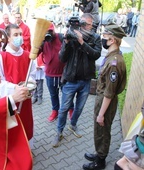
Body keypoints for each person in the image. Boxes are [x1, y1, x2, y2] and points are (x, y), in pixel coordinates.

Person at [53, 13, 102, 147]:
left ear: (92, 25)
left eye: (88, 24)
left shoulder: (96, 38)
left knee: (79, 108)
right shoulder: (71, 36)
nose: (85, 26)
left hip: (85, 81)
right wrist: (67, 42)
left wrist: (82, 42)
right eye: (83, 23)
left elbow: (96, 54)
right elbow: (62, 58)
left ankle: (73, 124)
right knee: (63, 109)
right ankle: (59, 131)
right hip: (70, 80)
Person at [82, 23, 127, 170]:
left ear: (112, 40)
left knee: (102, 130)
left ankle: (100, 161)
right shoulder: (112, 56)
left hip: (105, 101)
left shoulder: (114, 62)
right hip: (103, 99)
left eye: (105, 37)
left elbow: (109, 92)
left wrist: (101, 114)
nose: (103, 39)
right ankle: (99, 153)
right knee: (100, 130)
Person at [0, 24, 36, 147]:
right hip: (10, 99)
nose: (19, 37)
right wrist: (14, 88)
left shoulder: (28, 55)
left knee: (26, 121)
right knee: (12, 125)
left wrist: (29, 84)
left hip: (25, 97)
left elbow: (33, 74)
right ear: (8, 38)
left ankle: (26, 148)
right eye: (15, 34)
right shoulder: (2, 57)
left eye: (20, 34)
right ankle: (13, 149)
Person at [38, 23, 74, 122]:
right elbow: (35, 53)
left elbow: (70, 51)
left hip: (63, 74)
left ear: (54, 30)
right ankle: (55, 111)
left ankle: (71, 110)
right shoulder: (43, 40)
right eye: (47, 31)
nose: (49, 33)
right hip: (50, 74)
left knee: (67, 94)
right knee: (53, 95)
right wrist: (39, 41)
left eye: (50, 31)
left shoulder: (61, 37)